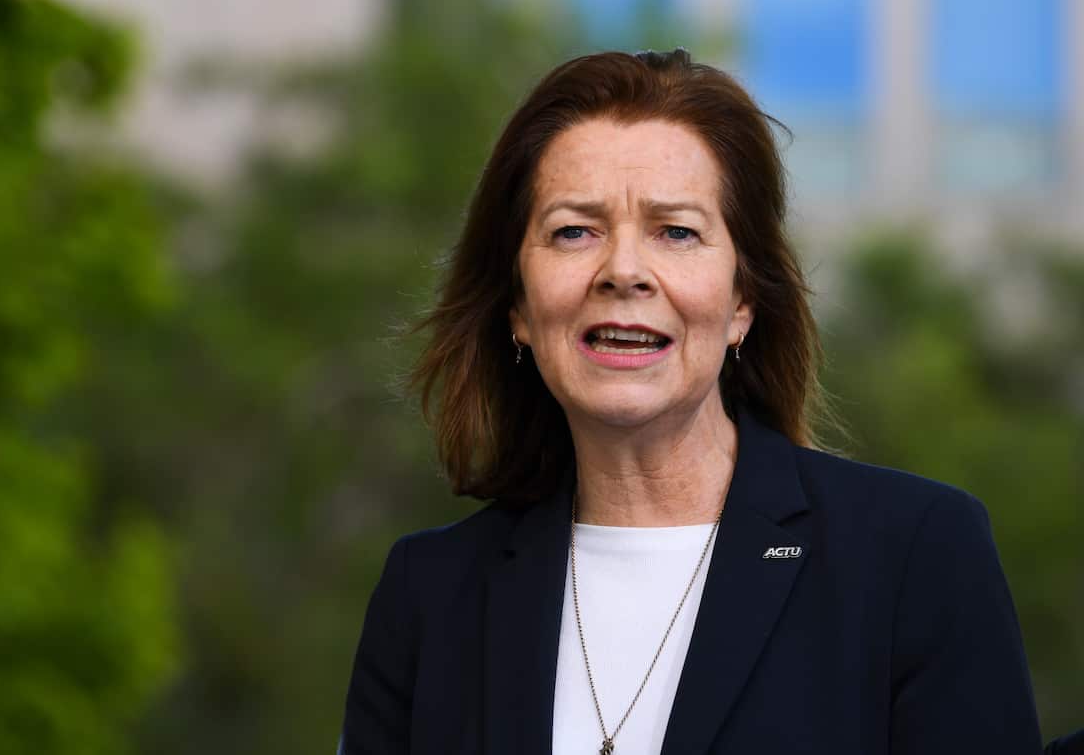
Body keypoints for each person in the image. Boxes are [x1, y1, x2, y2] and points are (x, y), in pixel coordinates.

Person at [339, 50, 1043, 754]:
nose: (622, 271)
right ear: (517, 304)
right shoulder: (429, 596)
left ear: (742, 301)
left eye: (676, 231)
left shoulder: (914, 555)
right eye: (573, 231)